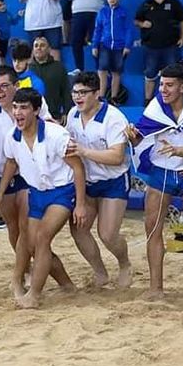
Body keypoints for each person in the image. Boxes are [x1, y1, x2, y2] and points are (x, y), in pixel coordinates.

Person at [0, 65, 74, 296]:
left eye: (4, 86)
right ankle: (34, 275)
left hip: (31, 175)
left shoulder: (31, 102)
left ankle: (41, 281)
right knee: (16, 231)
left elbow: (49, 125)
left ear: (16, 85)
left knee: (30, 233)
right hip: (5, 173)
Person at [126, 64, 183, 300]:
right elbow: (141, 138)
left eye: (169, 85)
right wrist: (132, 137)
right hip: (161, 173)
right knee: (152, 228)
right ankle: (156, 288)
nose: (163, 89)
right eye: (162, 84)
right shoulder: (156, 106)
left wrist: (179, 152)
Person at [0, 87, 86, 308]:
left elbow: (78, 168)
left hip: (62, 191)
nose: (18, 112)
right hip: (37, 192)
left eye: (24, 108)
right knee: (26, 240)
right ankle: (59, 284)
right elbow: (11, 162)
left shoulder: (56, 134)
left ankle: (35, 294)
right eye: (15, 107)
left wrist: (81, 205)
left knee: (42, 238)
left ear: (36, 110)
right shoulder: (12, 136)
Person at [65, 72, 132, 287]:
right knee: (78, 228)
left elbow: (116, 156)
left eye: (83, 92)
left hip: (113, 180)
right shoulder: (73, 114)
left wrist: (84, 152)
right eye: (75, 92)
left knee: (108, 234)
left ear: (96, 94)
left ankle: (125, 264)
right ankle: (100, 272)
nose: (78, 97)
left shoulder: (113, 118)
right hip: (87, 180)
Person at [134, 0, 183, 104]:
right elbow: (136, 20)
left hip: (170, 46)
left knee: (173, 75)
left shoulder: (174, 3)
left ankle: (173, 101)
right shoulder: (146, 4)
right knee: (150, 73)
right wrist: (142, 24)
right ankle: (148, 101)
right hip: (151, 46)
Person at [63, 0, 107, 73]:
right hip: (78, 15)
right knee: (75, 41)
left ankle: (100, 68)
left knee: (97, 41)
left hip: (95, 15)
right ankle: (79, 68)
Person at [92, 0, 132, 103]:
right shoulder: (103, 12)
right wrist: (95, 45)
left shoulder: (123, 12)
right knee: (102, 70)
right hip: (105, 45)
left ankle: (114, 97)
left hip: (119, 46)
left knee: (116, 71)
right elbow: (98, 29)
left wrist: (127, 46)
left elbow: (128, 29)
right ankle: (101, 96)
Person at [29, 36, 71, 119]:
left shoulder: (59, 67)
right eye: (36, 46)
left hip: (54, 115)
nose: (39, 48)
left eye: (42, 45)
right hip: (31, 116)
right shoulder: (28, 69)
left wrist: (66, 112)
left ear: (49, 49)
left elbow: (66, 91)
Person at [0, 0, 22, 69]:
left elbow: (13, 22)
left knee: (3, 55)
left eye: (4, 4)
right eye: (0, 5)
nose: (3, 6)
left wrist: (19, 16)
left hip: (5, 37)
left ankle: (3, 68)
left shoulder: (8, 14)